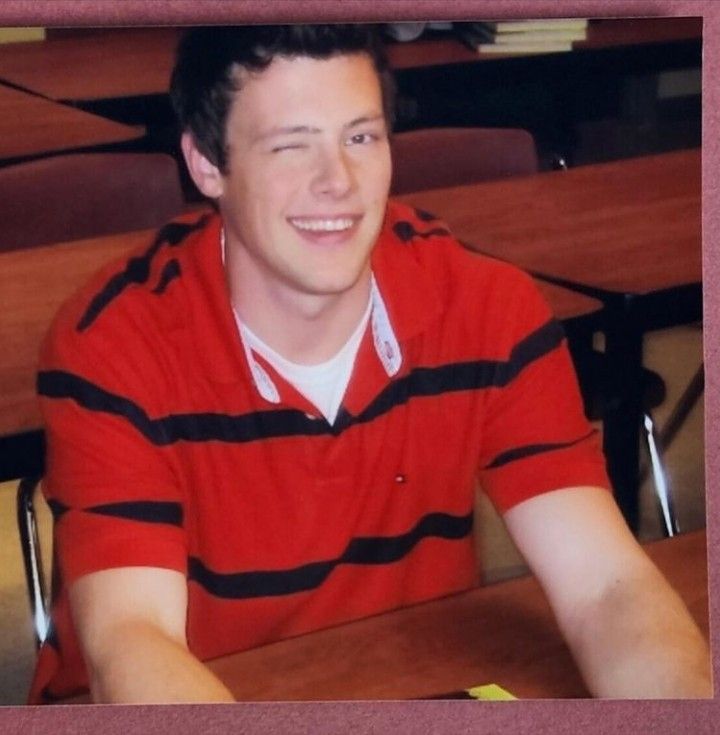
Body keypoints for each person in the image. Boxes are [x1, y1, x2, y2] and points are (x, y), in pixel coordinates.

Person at [29, 24, 710, 704]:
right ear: (207, 163)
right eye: (292, 146)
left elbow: (607, 587)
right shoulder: (115, 345)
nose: (339, 182)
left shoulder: (485, 308)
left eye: (361, 137)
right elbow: (134, 639)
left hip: (400, 680)